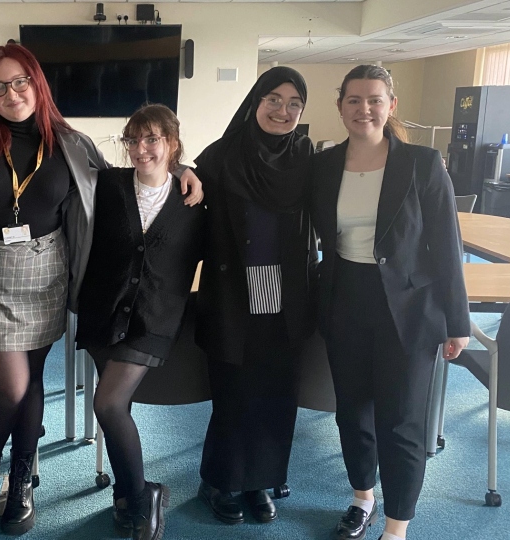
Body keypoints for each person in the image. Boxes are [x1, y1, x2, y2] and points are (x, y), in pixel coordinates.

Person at [0, 44, 202, 535]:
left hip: (46, 275)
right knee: (9, 386)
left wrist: (183, 170)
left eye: (20, 82)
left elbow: (131, 176)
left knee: (31, 380)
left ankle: (21, 480)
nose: (11, 94)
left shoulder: (71, 143)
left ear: (37, 83)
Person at [310, 65, 469, 540]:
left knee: (401, 420)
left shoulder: (422, 162)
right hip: (344, 300)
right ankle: (362, 499)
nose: (364, 109)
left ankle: (397, 525)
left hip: (411, 310)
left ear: (391, 106)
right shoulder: (321, 166)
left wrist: (456, 321)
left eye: (375, 99)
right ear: (340, 107)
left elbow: (446, 244)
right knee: (352, 411)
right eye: (354, 100)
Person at [193, 66, 318, 527]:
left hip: (287, 294)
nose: (283, 111)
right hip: (231, 293)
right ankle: (220, 481)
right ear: (255, 101)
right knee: (233, 392)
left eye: (294, 104)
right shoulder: (222, 154)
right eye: (274, 99)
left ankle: (259, 482)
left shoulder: (305, 155)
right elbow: (185, 199)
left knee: (276, 392)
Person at [76, 104, 205, 540]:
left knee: (107, 404)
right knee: (119, 410)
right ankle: (127, 496)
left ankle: (142, 495)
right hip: (103, 314)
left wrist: (184, 168)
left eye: (152, 139)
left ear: (172, 142)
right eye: (133, 139)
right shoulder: (108, 185)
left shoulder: (194, 202)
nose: (141, 149)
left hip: (152, 320)